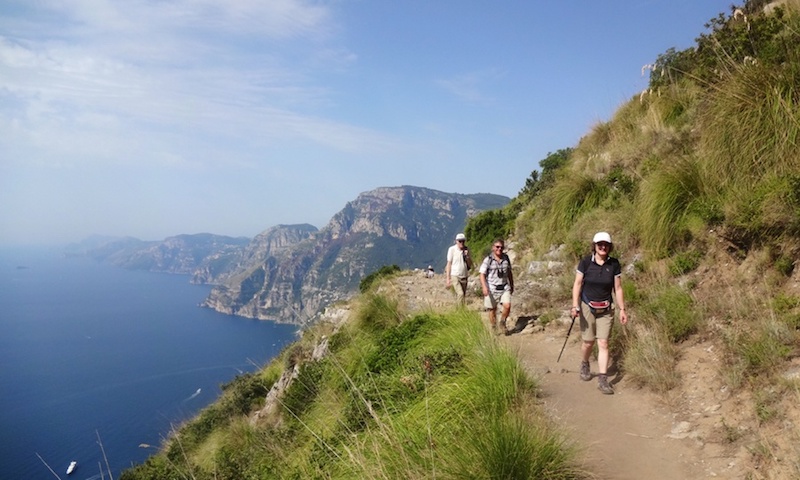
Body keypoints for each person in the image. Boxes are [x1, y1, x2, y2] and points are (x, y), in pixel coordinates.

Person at [570, 231, 628, 395]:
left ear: (610, 247)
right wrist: (575, 305)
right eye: (600, 244)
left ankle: (602, 379)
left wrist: (622, 309)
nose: (603, 247)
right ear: (594, 246)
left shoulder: (614, 264)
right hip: (587, 306)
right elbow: (577, 284)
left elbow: (617, 288)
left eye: (606, 245)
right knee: (588, 342)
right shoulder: (586, 263)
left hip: (606, 308)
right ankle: (585, 362)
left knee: (603, 342)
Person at [480, 238, 514, 335]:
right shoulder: (488, 260)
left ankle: (502, 322)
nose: (499, 249)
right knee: (492, 310)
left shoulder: (506, 258)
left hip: (504, 287)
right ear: (493, 248)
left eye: (501, 247)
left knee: (507, 305)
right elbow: (482, 274)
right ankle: (493, 327)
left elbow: (509, 272)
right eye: (497, 247)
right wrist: (484, 286)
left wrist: (512, 284)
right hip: (492, 288)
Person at [445, 233, 473, 304]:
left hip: (464, 275)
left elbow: (470, 265)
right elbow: (449, 263)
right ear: (456, 241)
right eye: (460, 241)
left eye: (463, 241)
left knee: (462, 296)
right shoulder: (452, 249)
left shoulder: (467, 250)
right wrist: (448, 278)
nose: (461, 243)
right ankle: (459, 311)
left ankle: (460, 311)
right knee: (460, 293)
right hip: (455, 275)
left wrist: (467, 257)